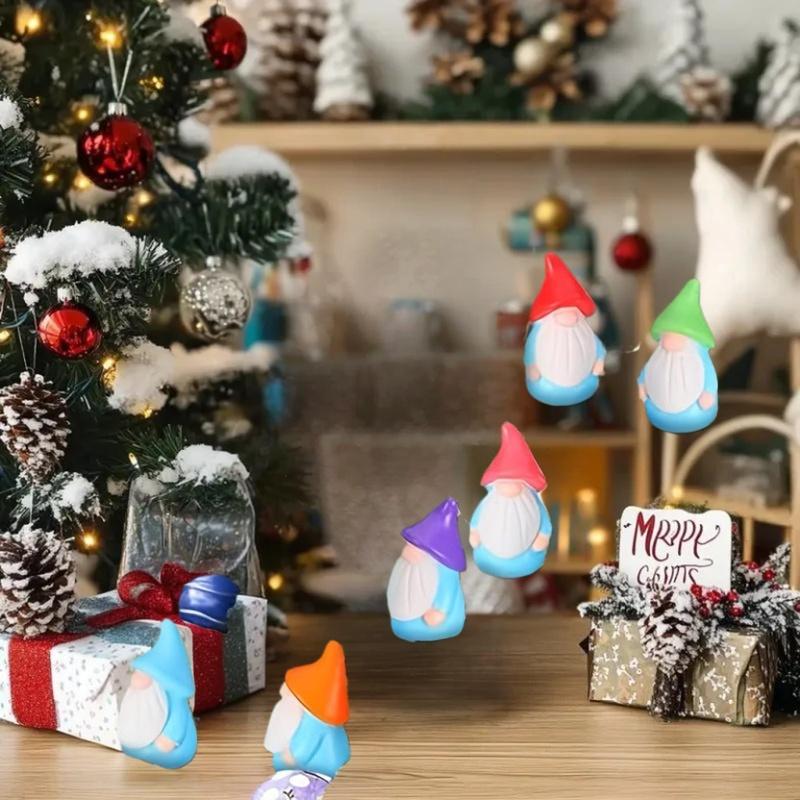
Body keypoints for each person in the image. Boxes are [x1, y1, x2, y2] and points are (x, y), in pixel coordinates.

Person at [470, 422, 551, 579]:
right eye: (504, 481)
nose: (508, 487)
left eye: (514, 481)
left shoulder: (533, 505)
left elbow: (544, 523)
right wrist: (474, 532)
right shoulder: (488, 503)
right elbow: (477, 519)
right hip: (487, 556)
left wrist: (543, 536)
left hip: (527, 559)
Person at [524, 252, 606, 406]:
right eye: (562, 310)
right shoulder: (541, 331)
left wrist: (599, 361)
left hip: (584, 381)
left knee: (593, 400)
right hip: (547, 383)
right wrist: (531, 365)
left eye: (574, 311)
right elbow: (531, 349)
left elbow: (598, 347)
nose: (570, 316)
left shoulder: (585, 330)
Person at [638, 279, 718, 434]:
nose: (669, 342)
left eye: (677, 336)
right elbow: (646, 372)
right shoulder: (658, 357)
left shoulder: (699, 357)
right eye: (667, 335)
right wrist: (642, 385)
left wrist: (708, 392)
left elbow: (709, 376)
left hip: (694, 410)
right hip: (657, 408)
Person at [264, 641, 351, 779]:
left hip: (320, 765)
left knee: (280, 760)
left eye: (288, 689)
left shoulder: (313, 723)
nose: (282, 690)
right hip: (338, 757)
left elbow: (302, 753)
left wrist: (289, 756)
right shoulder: (323, 722)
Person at [117, 619, 197, 769]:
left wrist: (169, 738)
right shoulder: (140, 698)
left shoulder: (171, 697)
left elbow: (177, 720)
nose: (134, 678)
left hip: (164, 749)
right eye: (136, 672)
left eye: (142, 673)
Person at [387, 497, 467, 642]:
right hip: (402, 619)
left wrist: (441, 611)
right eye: (408, 544)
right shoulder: (407, 564)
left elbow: (447, 590)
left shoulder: (445, 567)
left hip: (435, 619)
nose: (407, 550)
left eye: (414, 546)